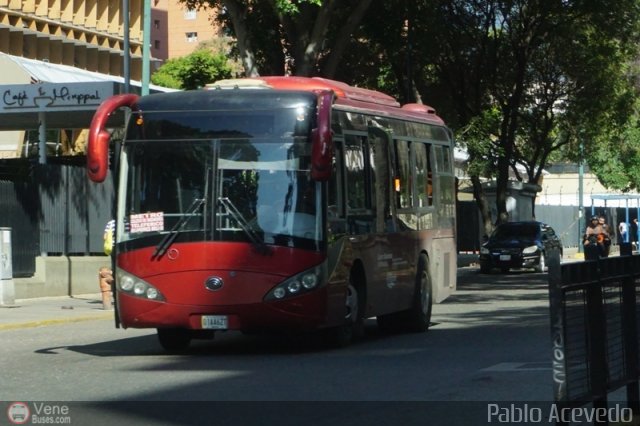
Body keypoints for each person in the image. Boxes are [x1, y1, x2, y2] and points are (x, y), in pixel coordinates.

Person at [99, 219, 115, 310]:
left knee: (114, 269)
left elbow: (105, 237)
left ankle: (113, 293)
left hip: (112, 248)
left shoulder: (110, 223)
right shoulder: (125, 221)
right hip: (123, 247)